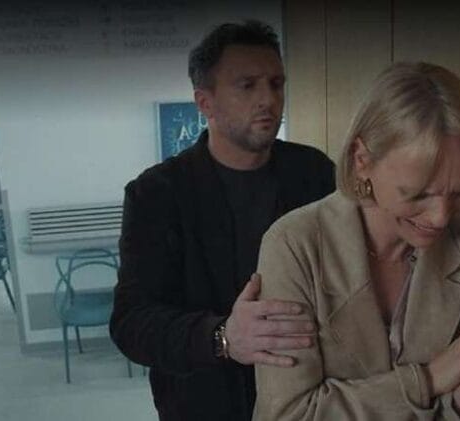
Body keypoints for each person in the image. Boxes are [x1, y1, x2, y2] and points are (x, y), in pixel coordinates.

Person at [253, 62, 460, 420]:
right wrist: (426, 379)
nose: (440, 217)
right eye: (418, 194)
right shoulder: (294, 245)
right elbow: (290, 414)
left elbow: (449, 412)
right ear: (361, 160)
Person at [109, 20, 336, 420]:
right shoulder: (157, 194)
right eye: (247, 85)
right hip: (205, 403)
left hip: (309, 399)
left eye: (276, 84)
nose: (268, 99)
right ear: (205, 103)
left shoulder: (314, 173)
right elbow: (131, 323)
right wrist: (223, 336)